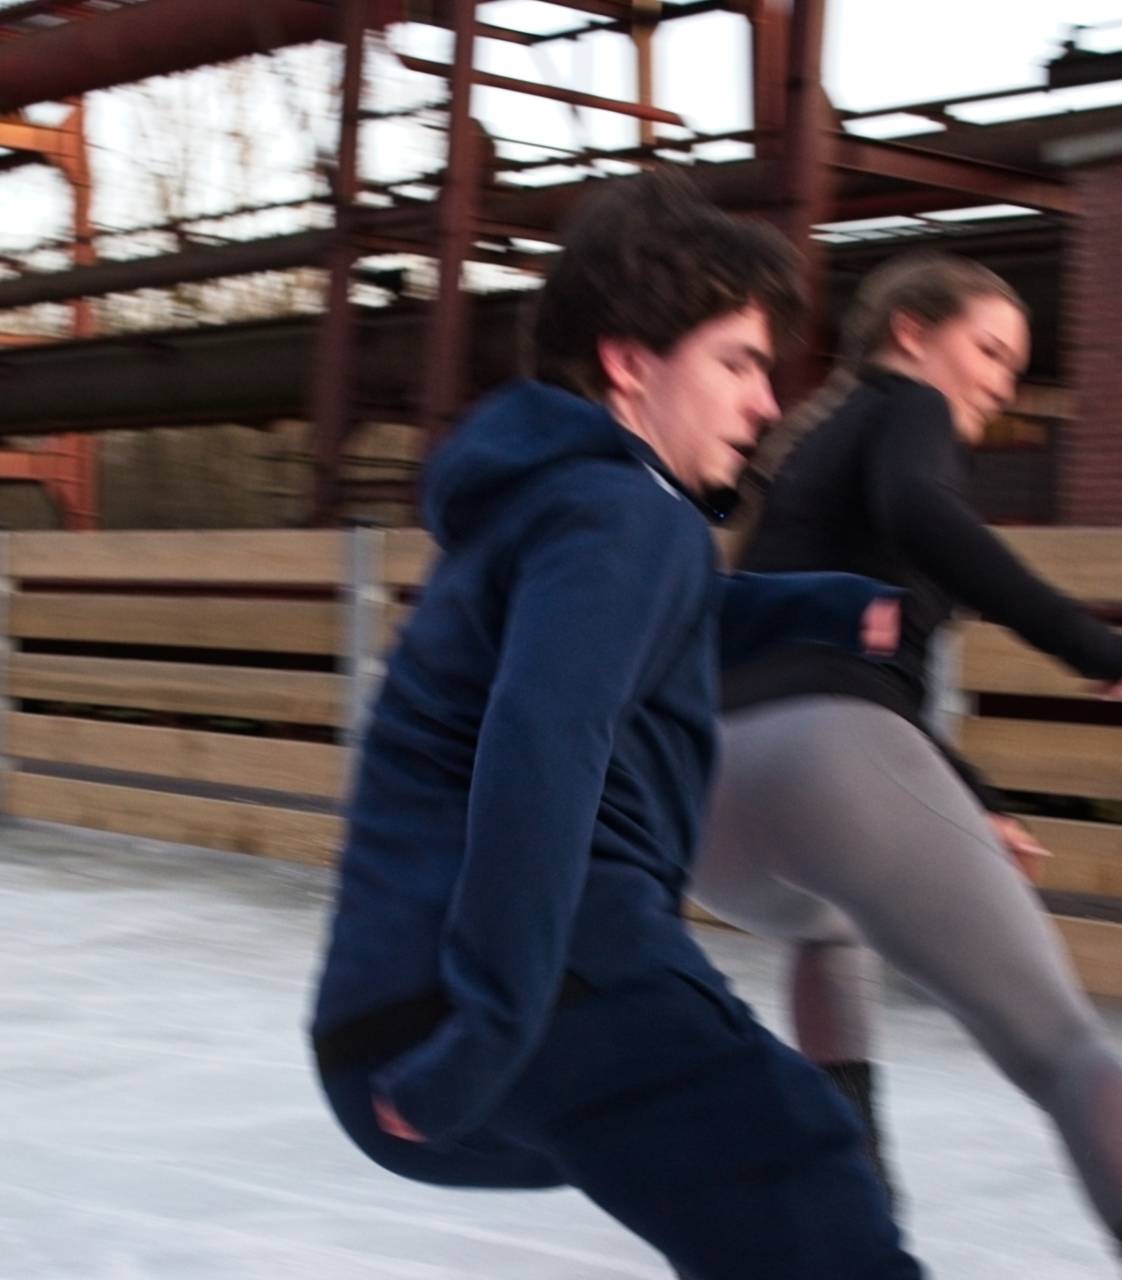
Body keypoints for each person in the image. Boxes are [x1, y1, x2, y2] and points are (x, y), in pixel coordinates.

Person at [306, 172, 922, 1279]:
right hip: (530, 982)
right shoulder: (630, 510)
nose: (765, 404)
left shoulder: (551, 508)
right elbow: (544, 735)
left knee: (760, 1190)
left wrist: (823, 605)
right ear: (631, 361)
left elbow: (639, 633)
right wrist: (494, 1024)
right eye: (736, 362)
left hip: (388, 1012)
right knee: (810, 1172)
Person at [697, 251, 1122, 1279]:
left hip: (710, 795)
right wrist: (1091, 645)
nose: (998, 378)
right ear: (910, 335)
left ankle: (859, 1208)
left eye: (1014, 362)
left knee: (830, 927)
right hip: (832, 760)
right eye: (986, 348)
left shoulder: (804, 459)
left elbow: (821, 659)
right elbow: (923, 514)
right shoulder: (907, 409)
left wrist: (965, 799)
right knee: (1065, 1050)